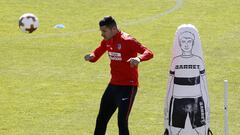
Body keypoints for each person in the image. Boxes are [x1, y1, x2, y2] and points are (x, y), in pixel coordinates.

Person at [84, 16, 153, 135]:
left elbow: (149, 52)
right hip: (113, 86)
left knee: (122, 121)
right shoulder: (107, 41)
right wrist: (91, 56)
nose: (102, 34)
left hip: (128, 87)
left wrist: (138, 58)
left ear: (114, 29)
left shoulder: (128, 40)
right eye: (101, 31)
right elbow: (97, 53)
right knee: (101, 119)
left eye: (104, 31)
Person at [164, 24, 212, 135]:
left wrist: (207, 103)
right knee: (174, 130)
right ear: (179, 43)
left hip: (196, 100)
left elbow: (203, 84)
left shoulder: (198, 60)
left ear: (193, 43)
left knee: (200, 130)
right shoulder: (175, 60)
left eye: (189, 41)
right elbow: (171, 84)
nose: (186, 44)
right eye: (183, 41)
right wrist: (167, 102)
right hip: (177, 101)